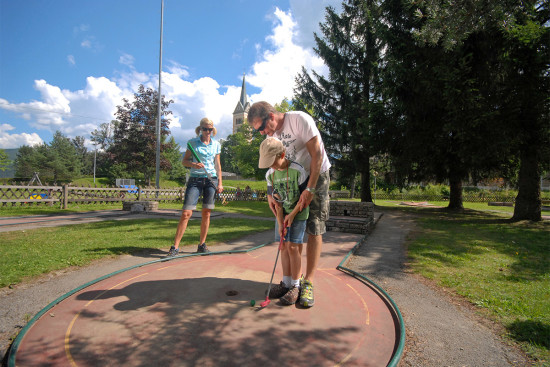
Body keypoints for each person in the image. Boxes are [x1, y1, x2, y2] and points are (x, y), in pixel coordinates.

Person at [248, 101, 331, 307]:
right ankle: (289, 282)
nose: (261, 133)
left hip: (315, 175)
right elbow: (271, 169)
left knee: (314, 225)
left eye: (260, 128)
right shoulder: (270, 135)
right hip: (288, 180)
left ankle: (307, 282)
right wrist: (270, 192)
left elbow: (317, 155)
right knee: (288, 239)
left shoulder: (299, 120)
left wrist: (310, 189)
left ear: (271, 117)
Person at [259, 137, 309, 305]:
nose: (271, 166)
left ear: (282, 154)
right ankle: (286, 283)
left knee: (294, 247)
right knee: (283, 247)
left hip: (299, 212)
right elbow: (277, 203)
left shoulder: (298, 170)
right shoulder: (270, 175)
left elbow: (305, 198)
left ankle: (296, 285)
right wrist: (281, 223)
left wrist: (292, 215)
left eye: (273, 161)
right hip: (283, 212)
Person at [167, 118, 223, 256]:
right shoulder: (192, 143)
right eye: (205, 129)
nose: (207, 132)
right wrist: (193, 165)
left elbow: (218, 165)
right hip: (195, 180)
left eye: (210, 129)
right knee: (186, 213)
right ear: (200, 129)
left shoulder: (216, 144)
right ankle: (175, 247)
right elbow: (184, 161)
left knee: (207, 213)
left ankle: (202, 245)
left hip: (211, 180)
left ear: (212, 130)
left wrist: (220, 183)